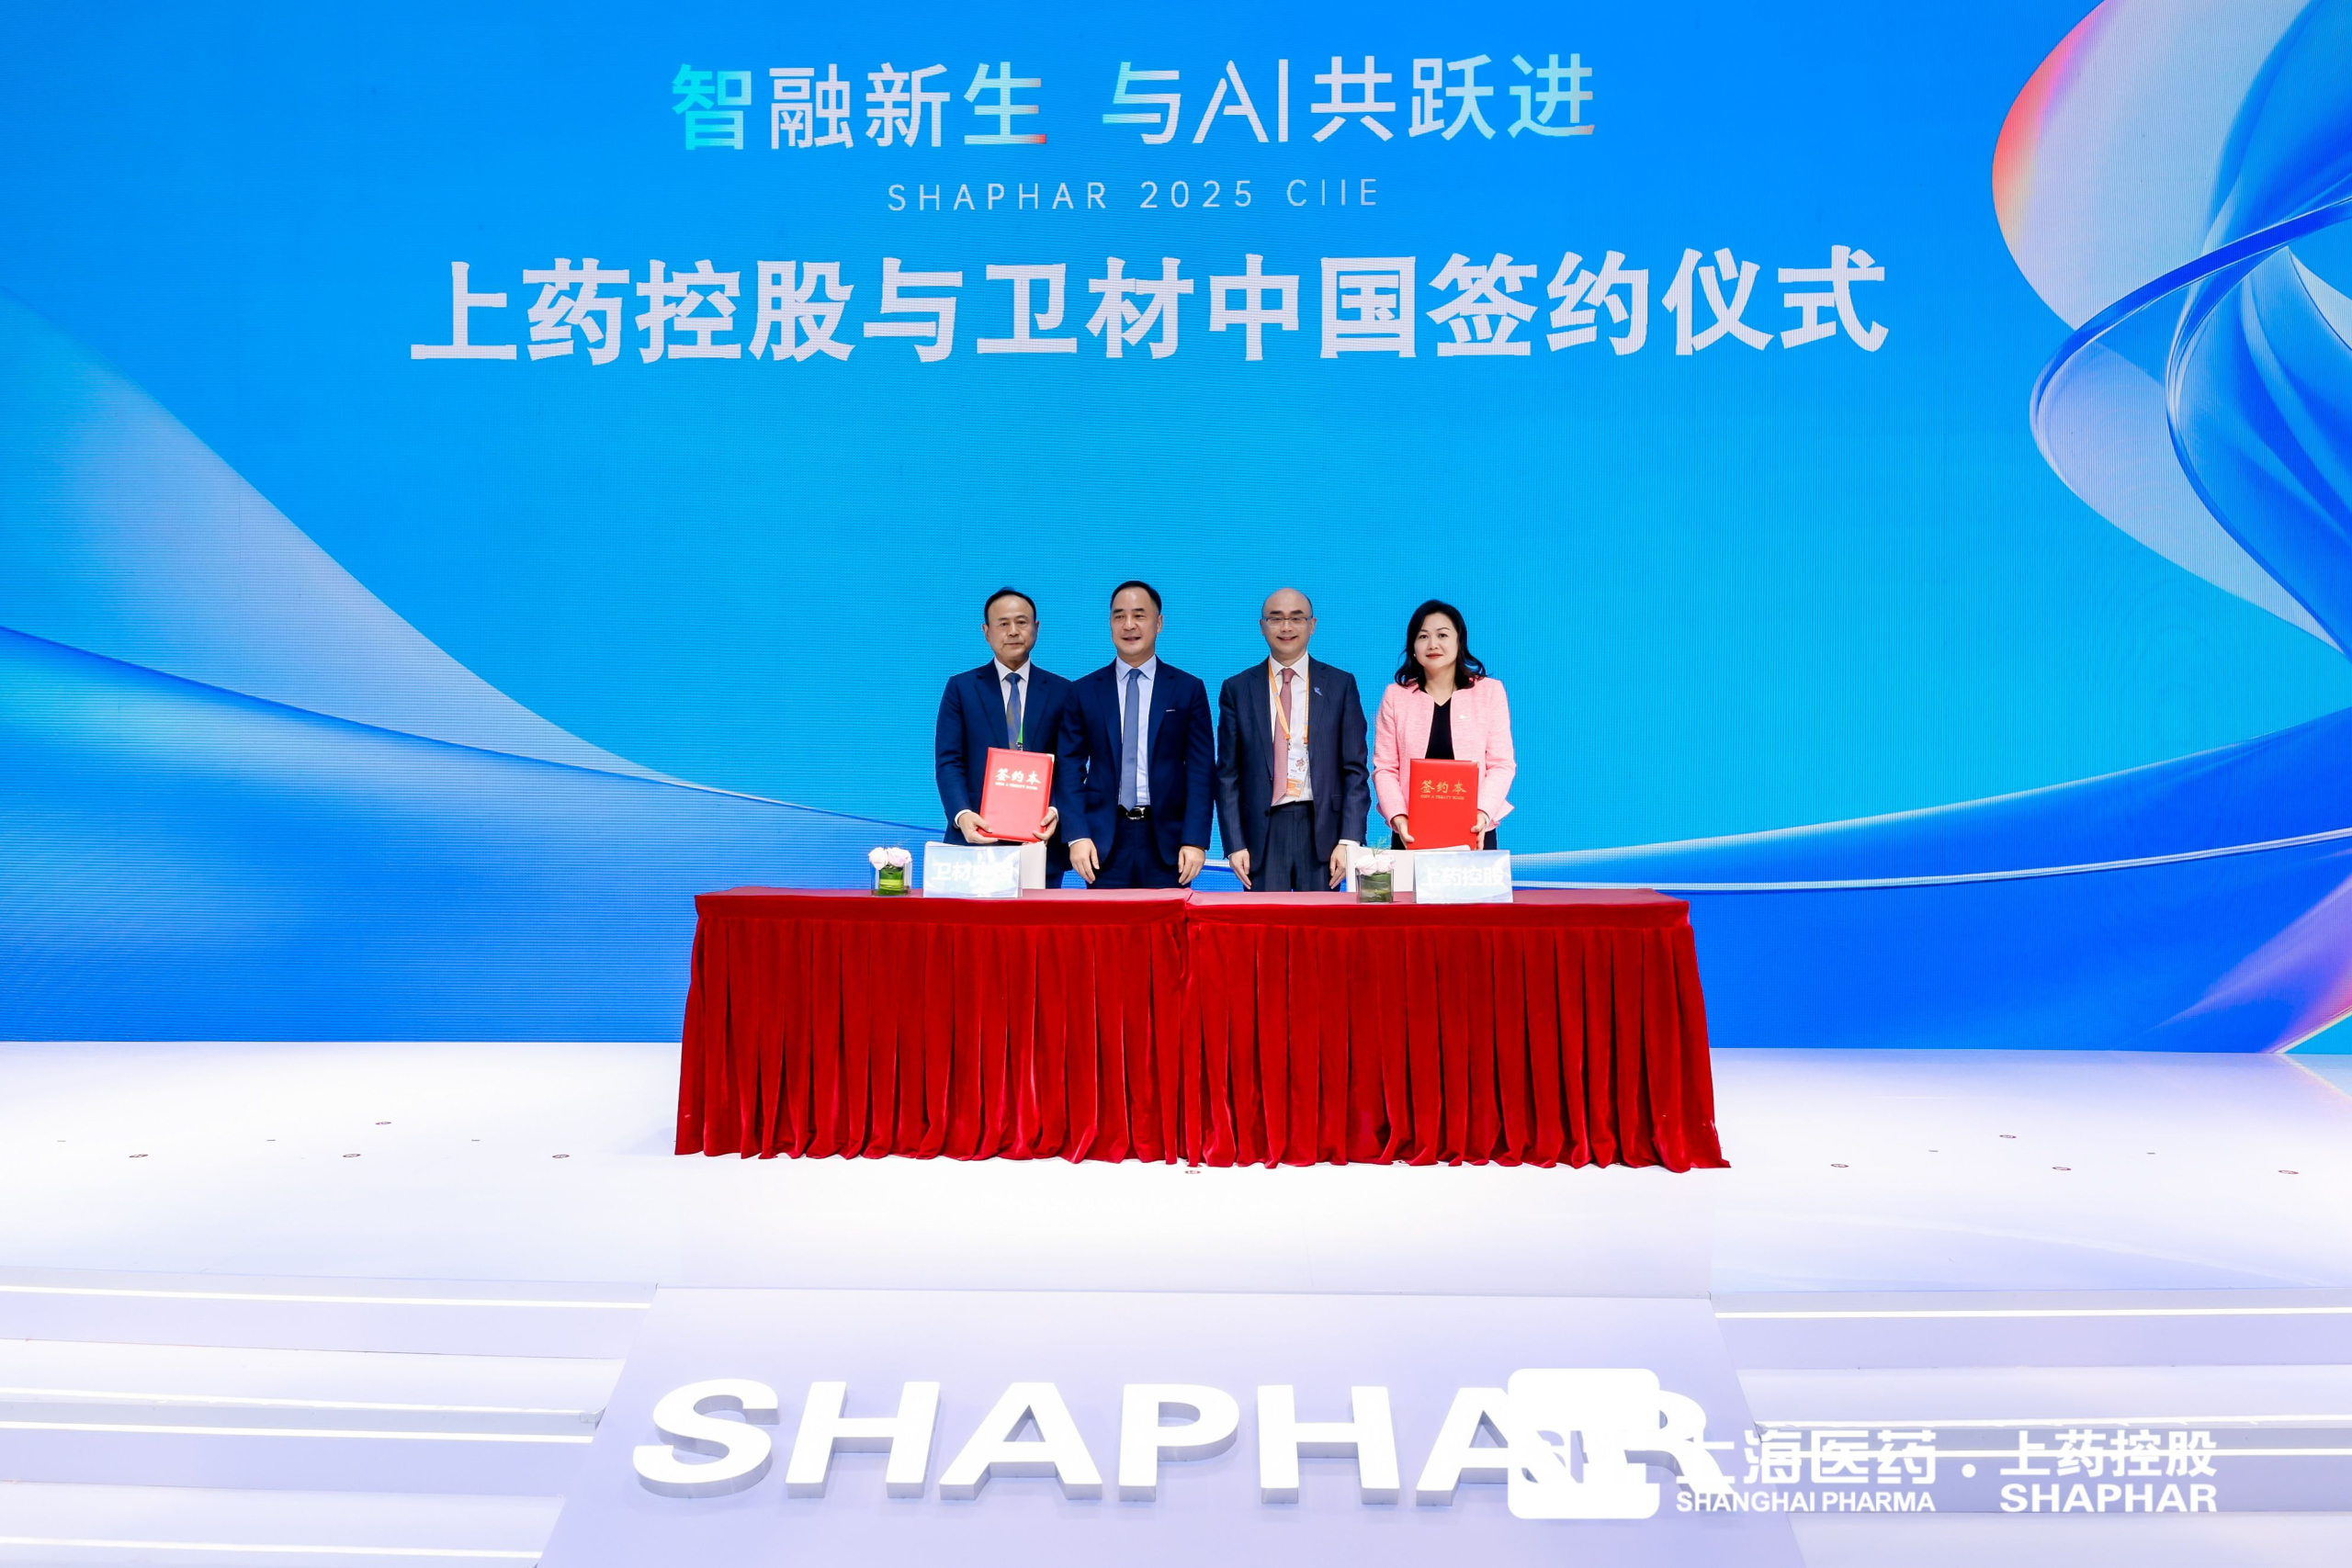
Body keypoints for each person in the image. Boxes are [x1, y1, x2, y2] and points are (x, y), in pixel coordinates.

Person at [1057, 581, 1215, 888]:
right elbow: (1069, 768)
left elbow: (1201, 770)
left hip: (1168, 843)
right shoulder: (1084, 691)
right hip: (1102, 842)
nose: (1129, 625)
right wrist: (1076, 835)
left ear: (1159, 623)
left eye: (1139, 615)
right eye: (1119, 616)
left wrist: (1195, 840)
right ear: (1110, 624)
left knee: (1167, 921)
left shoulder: (1187, 689)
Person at [1215, 587, 1369, 890]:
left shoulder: (1340, 685)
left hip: (1324, 834)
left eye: (1296, 618)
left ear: (1312, 625)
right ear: (1262, 626)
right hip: (1261, 835)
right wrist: (1234, 844)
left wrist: (1349, 839)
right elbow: (1227, 774)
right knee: (1265, 919)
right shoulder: (1237, 689)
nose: (1286, 627)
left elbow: (1355, 770)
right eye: (1276, 619)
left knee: (1319, 920)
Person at [933, 587, 1069, 884]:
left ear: (1036, 628)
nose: (1013, 631)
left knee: (1039, 916)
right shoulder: (961, 689)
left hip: (1041, 842)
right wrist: (962, 814)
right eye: (1003, 623)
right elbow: (949, 761)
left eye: (1022, 622)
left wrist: (1057, 810)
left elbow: (1070, 765)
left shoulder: (1063, 691)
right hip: (977, 842)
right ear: (986, 632)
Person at [1373, 599, 1516, 851]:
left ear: (1459, 641)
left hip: (1475, 830)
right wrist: (1399, 817)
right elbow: (1385, 768)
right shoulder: (1395, 696)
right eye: (1423, 636)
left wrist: (1482, 814)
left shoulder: (1489, 692)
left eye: (1442, 635)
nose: (1432, 644)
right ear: (1412, 646)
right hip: (1411, 833)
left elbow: (1501, 765)